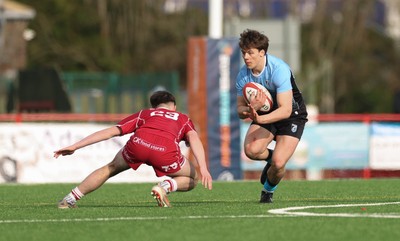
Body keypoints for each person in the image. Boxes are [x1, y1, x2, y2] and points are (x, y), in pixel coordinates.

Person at [54, 90, 213, 208]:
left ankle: (69, 199)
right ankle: (165, 186)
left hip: (138, 145)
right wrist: (203, 167)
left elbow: (111, 131)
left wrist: (75, 145)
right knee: (194, 178)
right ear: (174, 106)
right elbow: (194, 139)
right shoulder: (183, 118)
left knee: (110, 168)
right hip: (164, 152)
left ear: (154, 107)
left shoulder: (145, 114)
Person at [235, 29, 308, 203]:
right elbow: (239, 110)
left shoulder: (278, 69)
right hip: (265, 112)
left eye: (250, 53)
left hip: (292, 115)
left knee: (279, 163)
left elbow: (285, 110)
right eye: (244, 53)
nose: (246, 57)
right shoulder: (242, 75)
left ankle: (267, 191)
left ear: (262, 53)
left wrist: (258, 118)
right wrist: (251, 108)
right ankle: (271, 158)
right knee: (251, 150)